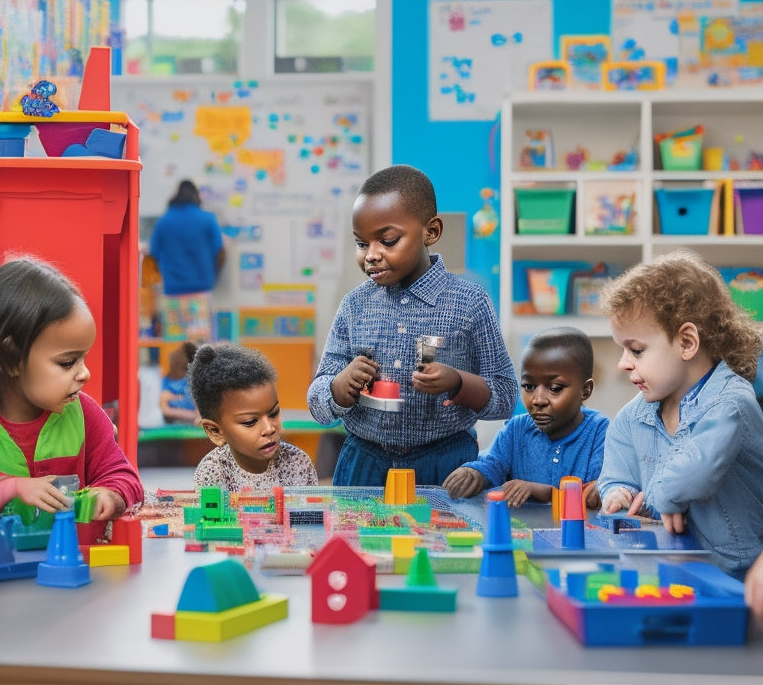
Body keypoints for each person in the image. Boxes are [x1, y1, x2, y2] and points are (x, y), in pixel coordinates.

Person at [307, 164, 518, 487]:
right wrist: (340, 386)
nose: (371, 255)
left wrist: (458, 382)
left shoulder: (470, 302)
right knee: (358, 539)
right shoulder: (354, 305)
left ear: (431, 232)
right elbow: (317, 402)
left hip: (446, 464)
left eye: (388, 241)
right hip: (364, 463)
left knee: (446, 539)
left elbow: (505, 395)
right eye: (362, 244)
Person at [596, 249, 763, 579]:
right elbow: (617, 471)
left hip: (737, 576)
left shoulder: (731, 402)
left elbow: (691, 475)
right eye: (622, 349)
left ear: (687, 342)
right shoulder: (634, 416)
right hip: (670, 568)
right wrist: (616, 492)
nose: (623, 362)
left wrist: (657, 497)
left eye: (636, 349)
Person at [0, 257, 143, 520]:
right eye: (67, 363)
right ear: (10, 356)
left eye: (84, 358)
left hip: (72, 559)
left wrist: (110, 494)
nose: (85, 374)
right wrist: (12, 487)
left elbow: (124, 476)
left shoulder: (84, 414)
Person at [442, 326, 608, 506]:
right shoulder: (516, 429)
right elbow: (493, 464)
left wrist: (547, 493)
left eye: (554, 388)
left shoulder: (600, 432)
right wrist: (475, 473)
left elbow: (597, 493)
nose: (538, 400)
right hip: (524, 533)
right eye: (529, 386)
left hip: (580, 533)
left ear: (585, 390)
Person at [190, 343, 318, 490]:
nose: (269, 428)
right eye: (250, 422)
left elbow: (308, 512)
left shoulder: (298, 464)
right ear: (215, 431)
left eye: (274, 413)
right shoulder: (213, 472)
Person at [149, 179, 226, 342]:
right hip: (201, 293)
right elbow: (221, 252)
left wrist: (165, 273)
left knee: (175, 344)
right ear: (197, 197)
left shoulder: (164, 222)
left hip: (172, 292)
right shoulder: (208, 219)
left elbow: (153, 254)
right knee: (201, 346)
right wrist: (214, 276)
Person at [160, 341, 198, 424]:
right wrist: (191, 415)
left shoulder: (192, 380)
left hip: (190, 420)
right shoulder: (167, 381)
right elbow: (164, 407)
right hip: (173, 422)